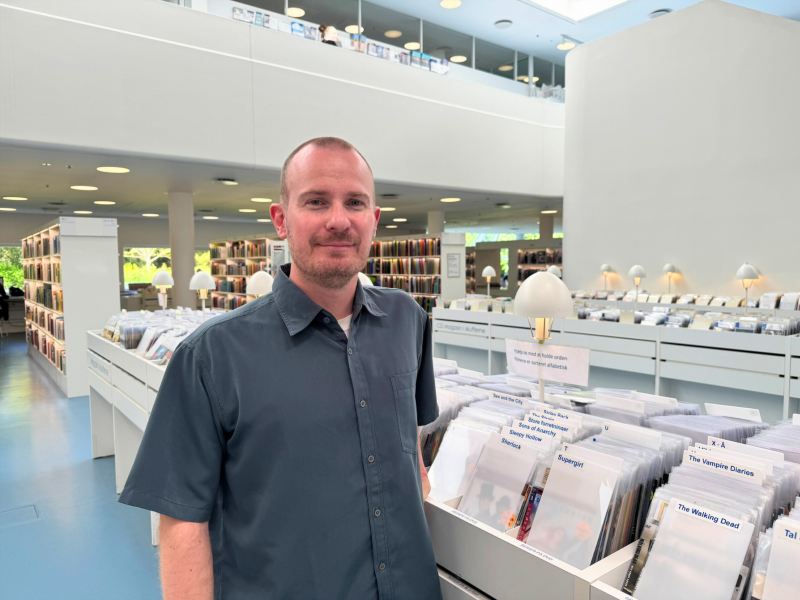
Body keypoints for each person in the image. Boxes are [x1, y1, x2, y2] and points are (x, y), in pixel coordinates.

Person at [119, 137, 442, 600]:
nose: (338, 220)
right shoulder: (211, 356)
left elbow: (412, 446)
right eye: (316, 201)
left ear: (373, 220)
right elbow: (182, 521)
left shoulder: (408, 319)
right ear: (281, 219)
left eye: (355, 202)